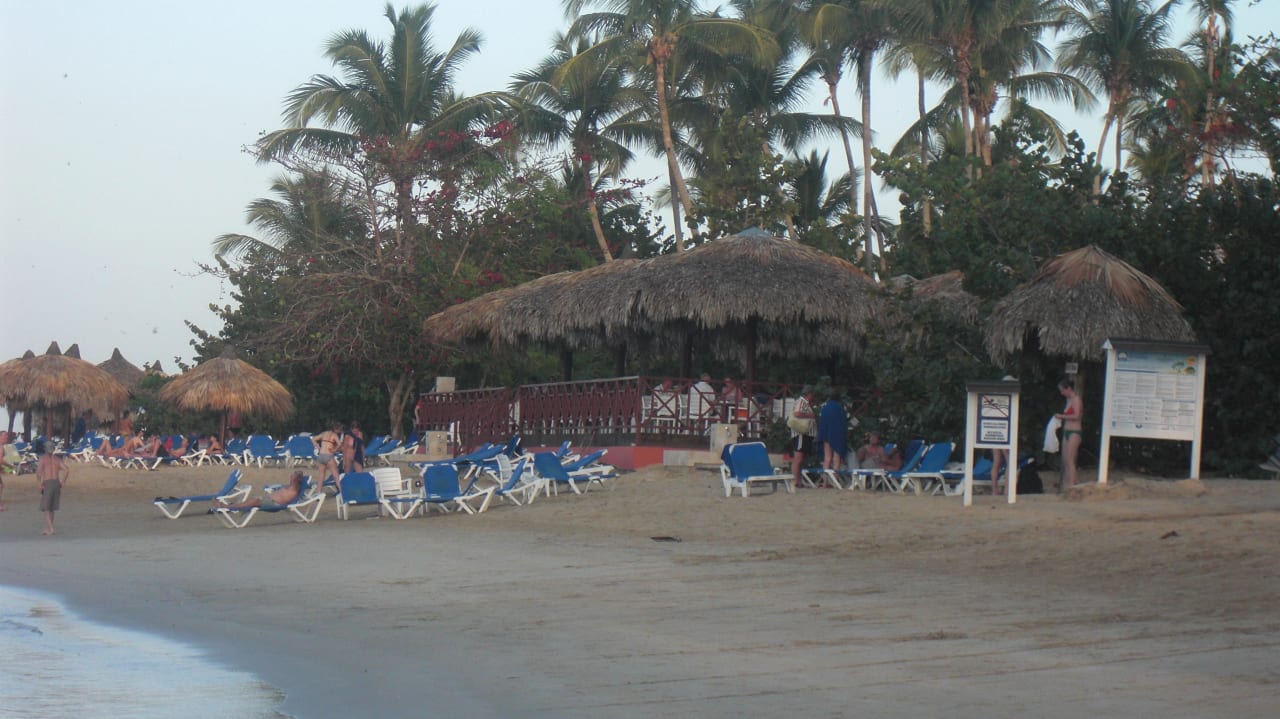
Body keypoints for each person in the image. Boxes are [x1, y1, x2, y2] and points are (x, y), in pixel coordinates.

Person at [216, 470, 305, 510]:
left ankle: (229, 507)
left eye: (292, 476)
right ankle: (234, 506)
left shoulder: (294, 489)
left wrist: (297, 476)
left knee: (255, 501)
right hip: (270, 500)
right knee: (253, 500)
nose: (290, 477)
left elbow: (295, 484)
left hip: (275, 504)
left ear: (296, 479)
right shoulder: (289, 487)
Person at [1055, 378, 1083, 492]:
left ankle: (1072, 486)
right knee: (1066, 460)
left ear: (1068, 389)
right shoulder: (1068, 401)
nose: (1062, 393)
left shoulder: (1076, 400)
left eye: (1063, 390)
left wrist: (1062, 416)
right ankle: (1067, 485)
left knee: (1071, 460)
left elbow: (1077, 416)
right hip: (1067, 430)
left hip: (1074, 431)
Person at [36, 441, 69, 536]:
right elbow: (67, 469)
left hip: (48, 483)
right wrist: (63, 482)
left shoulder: (43, 459)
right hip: (56, 482)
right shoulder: (57, 459)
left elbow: (38, 473)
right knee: (52, 507)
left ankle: (51, 528)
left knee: (46, 508)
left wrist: (39, 484)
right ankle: (49, 528)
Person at [789, 386, 817, 486]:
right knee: (799, 457)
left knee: (800, 459)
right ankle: (796, 481)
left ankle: (798, 480)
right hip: (801, 433)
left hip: (804, 434)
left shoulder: (804, 403)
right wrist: (810, 416)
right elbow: (797, 413)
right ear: (809, 394)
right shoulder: (802, 402)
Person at [816, 391, 848, 472]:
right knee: (836, 457)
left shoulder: (825, 408)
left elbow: (822, 423)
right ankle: (835, 479)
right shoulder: (840, 408)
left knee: (827, 458)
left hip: (826, 435)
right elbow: (843, 423)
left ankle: (825, 482)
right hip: (837, 435)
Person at [313, 423, 343, 489]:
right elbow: (339, 444)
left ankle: (318, 493)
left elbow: (313, 439)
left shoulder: (324, 433)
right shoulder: (334, 435)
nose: (340, 432)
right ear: (336, 429)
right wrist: (334, 450)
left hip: (321, 456)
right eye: (340, 430)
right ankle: (342, 492)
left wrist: (318, 446)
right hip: (328, 455)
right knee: (336, 476)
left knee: (321, 476)